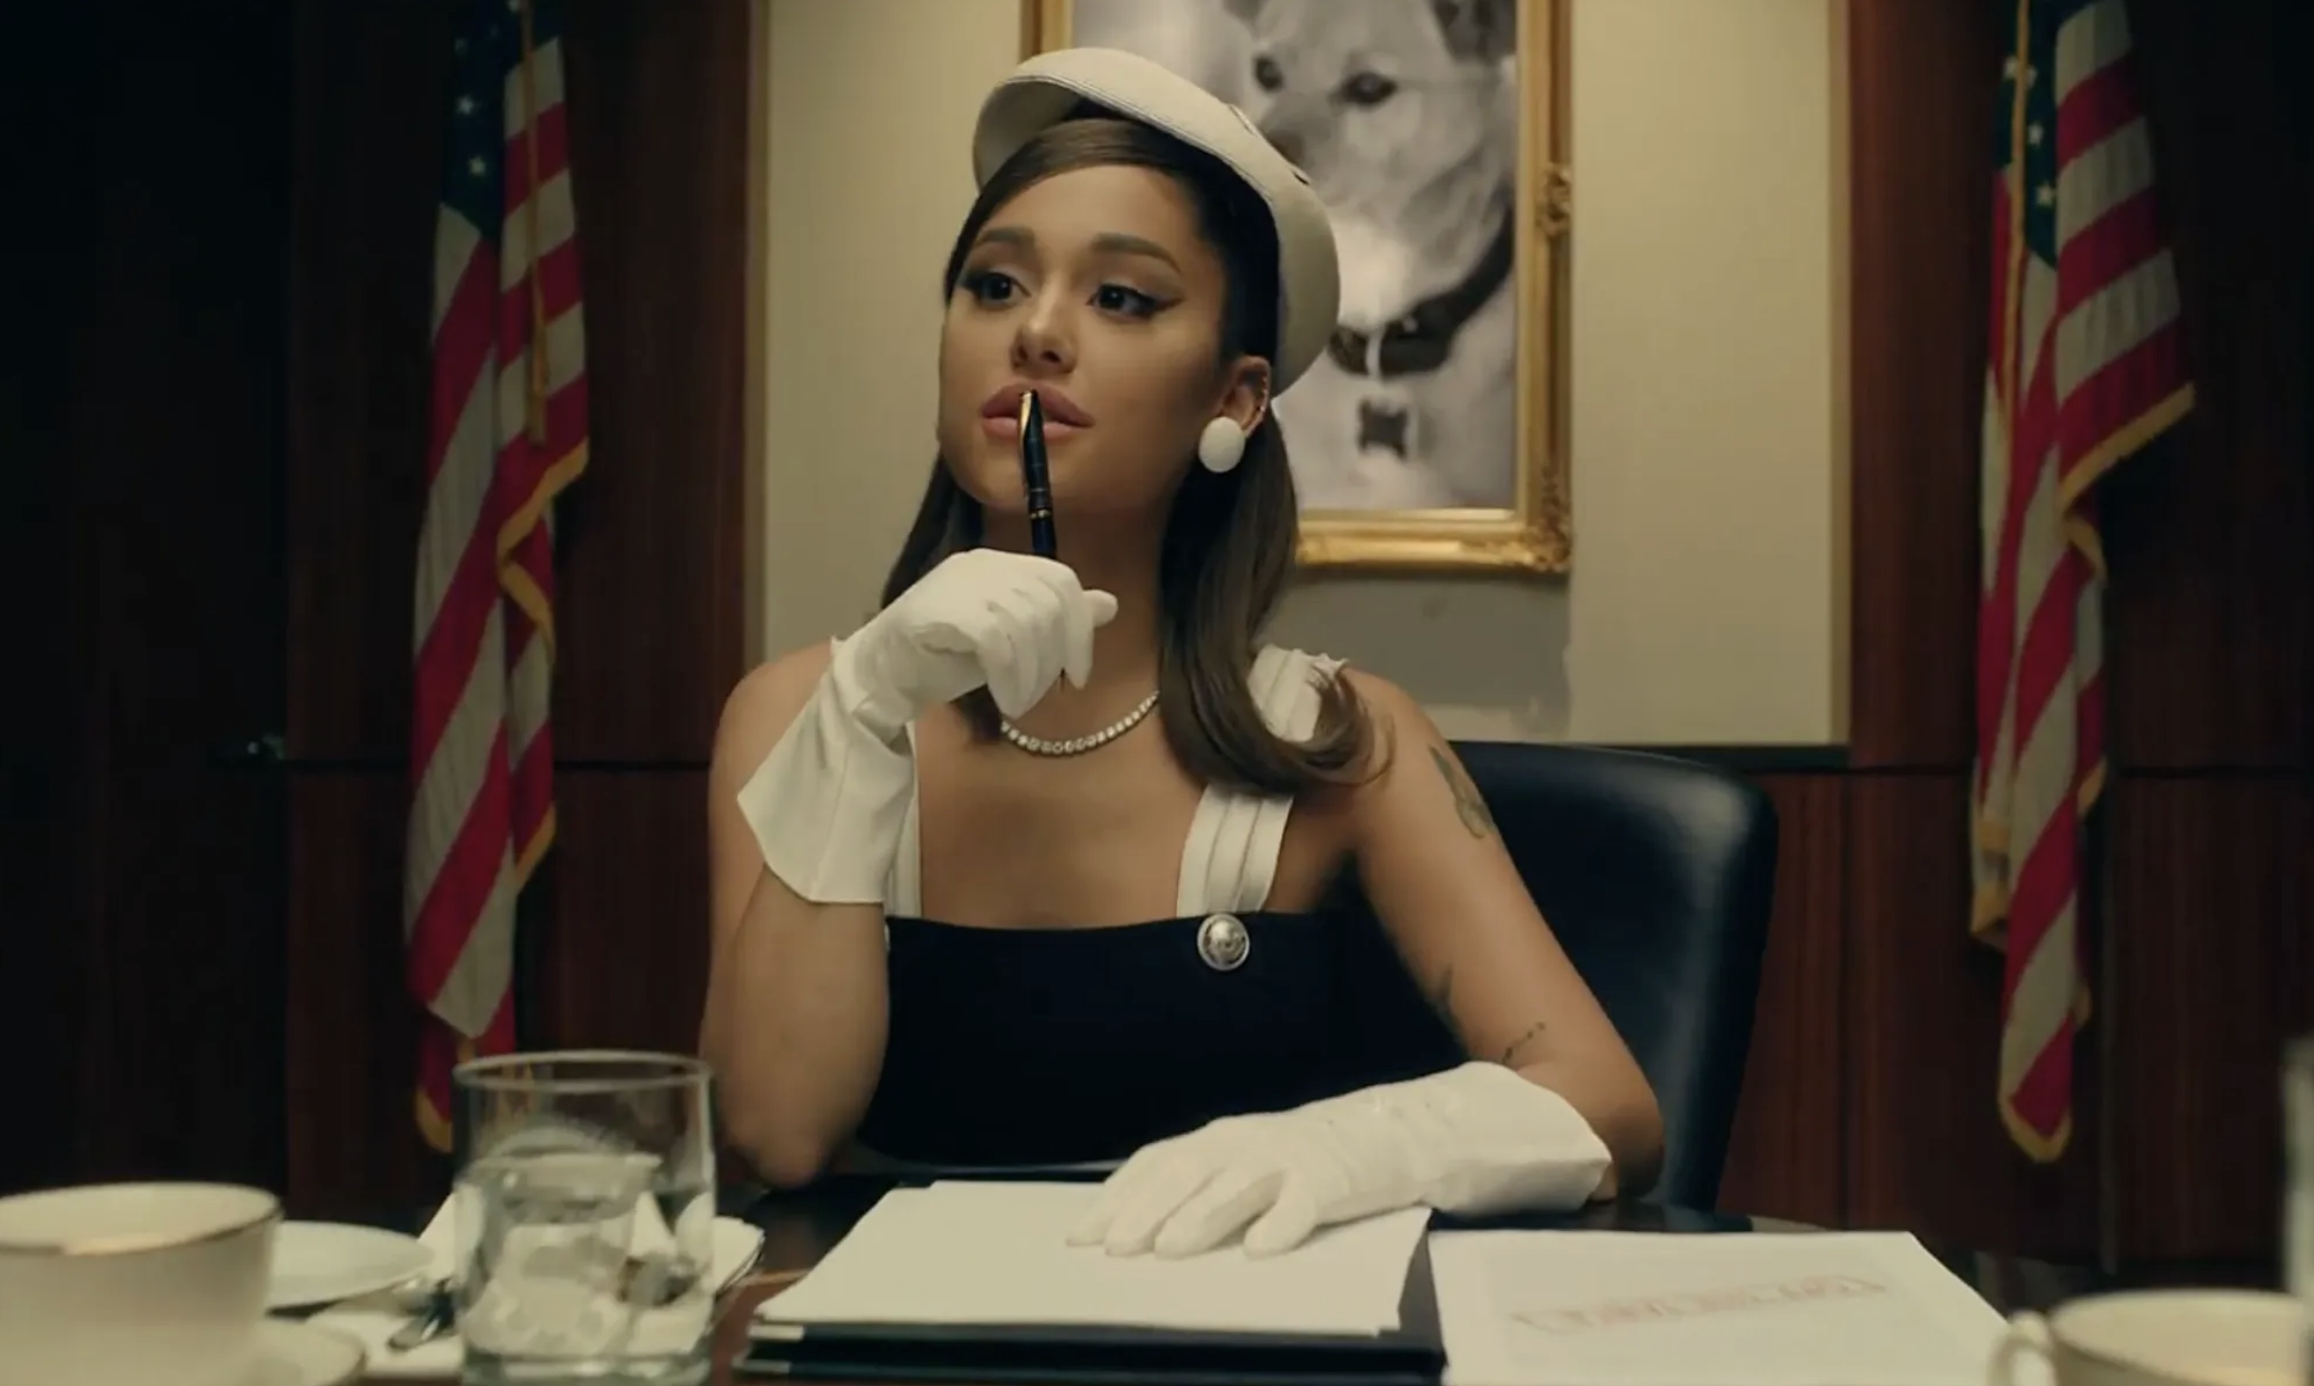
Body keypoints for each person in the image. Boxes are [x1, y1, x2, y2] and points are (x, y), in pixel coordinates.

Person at [702, 47, 1661, 1260]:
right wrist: (858, 722)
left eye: (1122, 299)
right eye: (993, 286)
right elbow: (776, 1137)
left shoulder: (1337, 740)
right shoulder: (793, 713)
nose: (1038, 334)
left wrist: (1346, 1147)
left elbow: (1609, 1105)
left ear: (1238, 400)